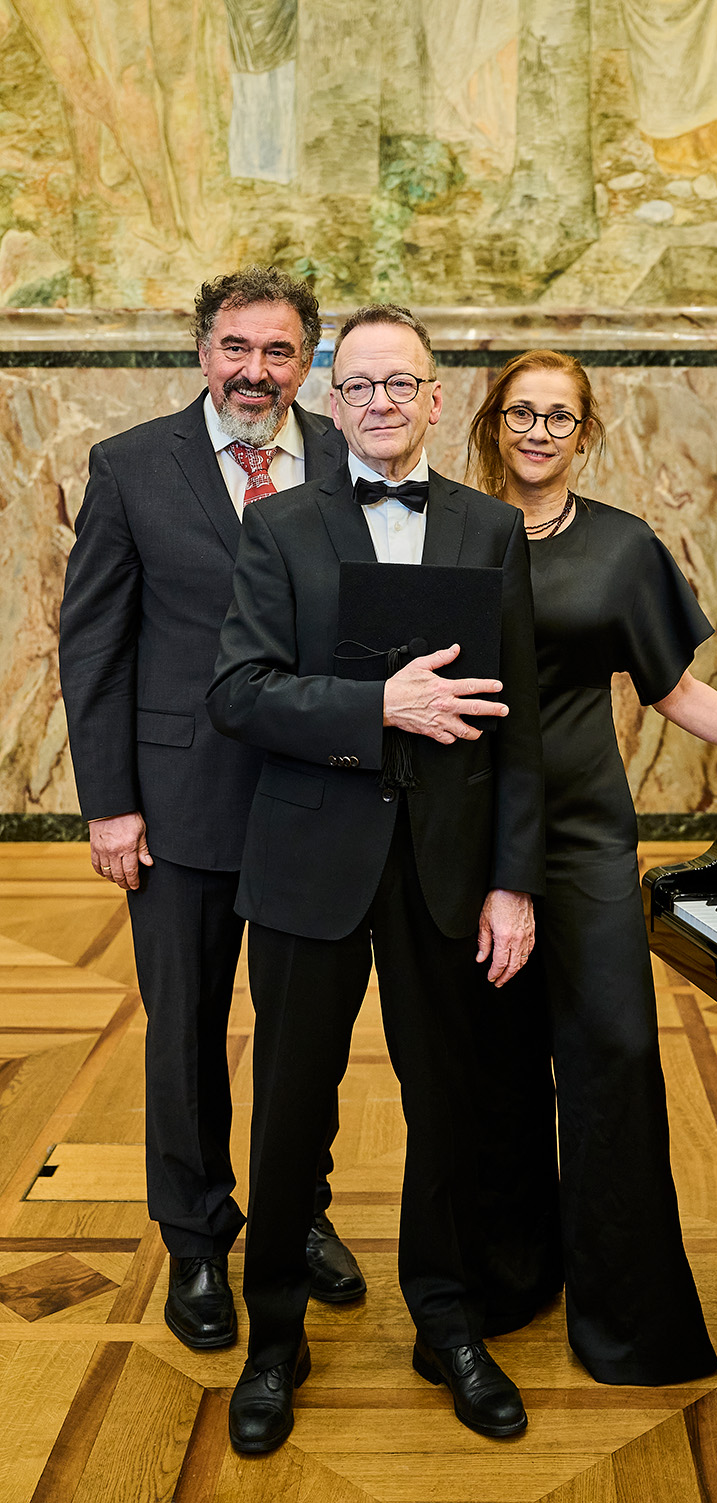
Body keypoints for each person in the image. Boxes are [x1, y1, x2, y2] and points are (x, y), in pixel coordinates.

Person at [465, 349, 717, 1385]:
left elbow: (673, 690)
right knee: (495, 1073)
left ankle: (628, 1318)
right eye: (522, 412)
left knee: (611, 1060)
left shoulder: (622, 547)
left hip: (588, 833)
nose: (540, 430)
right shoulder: (450, 538)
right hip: (470, 835)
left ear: (586, 433)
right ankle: (506, 1287)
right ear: (493, 425)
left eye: (561, 415)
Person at [206, 302, 546, 1453]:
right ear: (330, 399)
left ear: (437, 399)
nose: (382, 405)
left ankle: (446, 1320)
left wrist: (512, 880)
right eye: (359, 386)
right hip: (309, 860)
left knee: (445, 1104)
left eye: (403, 385)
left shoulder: (492, 528)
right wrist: (374, 707)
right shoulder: (281, 524)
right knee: (291, 1109)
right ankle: (273, 1340)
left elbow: (520, 732)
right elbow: (238, 693)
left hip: (447, 869)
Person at [58, 266, 365, 1358]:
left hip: (313, 800)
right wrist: (108, 806)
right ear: (201, 351)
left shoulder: (344, 459)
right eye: (236, 347)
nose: (254, 370)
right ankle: (195, 1239)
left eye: (279, 351)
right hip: (177, 805)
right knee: (185, 1033)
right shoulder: (133, 467)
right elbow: (93, 646)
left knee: (301, 1041)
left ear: (307, 363)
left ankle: (296, 1213)